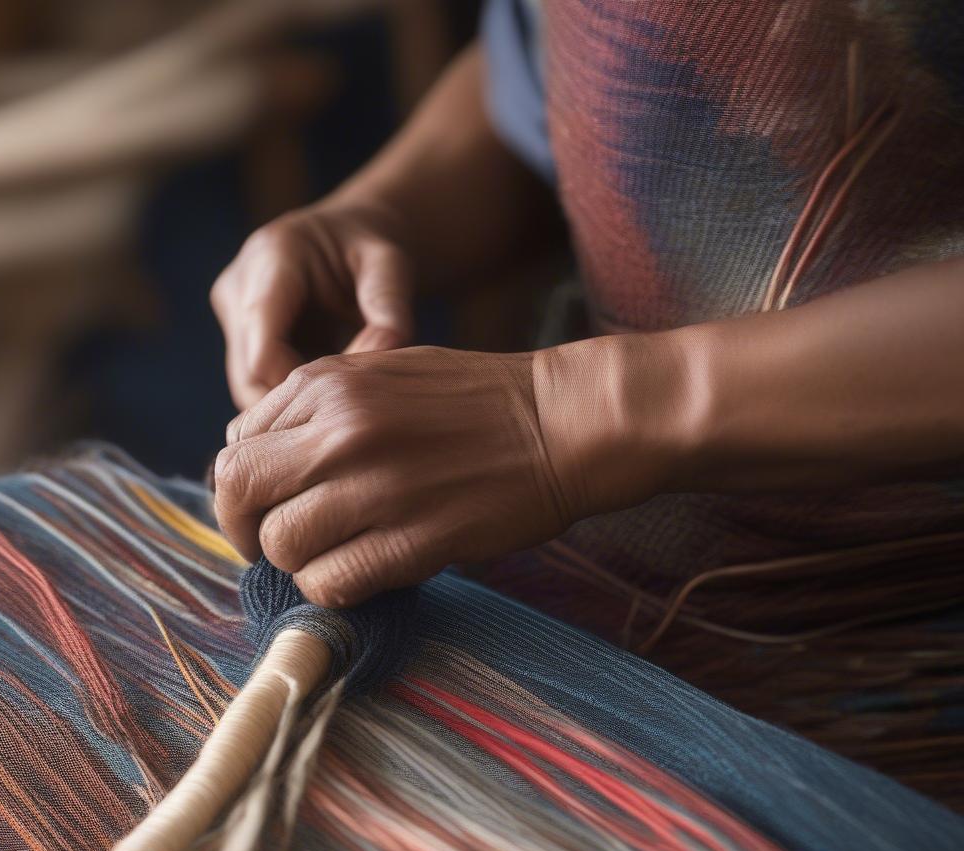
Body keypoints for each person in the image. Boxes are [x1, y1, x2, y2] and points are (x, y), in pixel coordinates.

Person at [210, 1, 964, 801]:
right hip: (560, 603)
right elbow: (570, 63)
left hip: (888, 712)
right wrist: (383, 211)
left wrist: (567, 413)